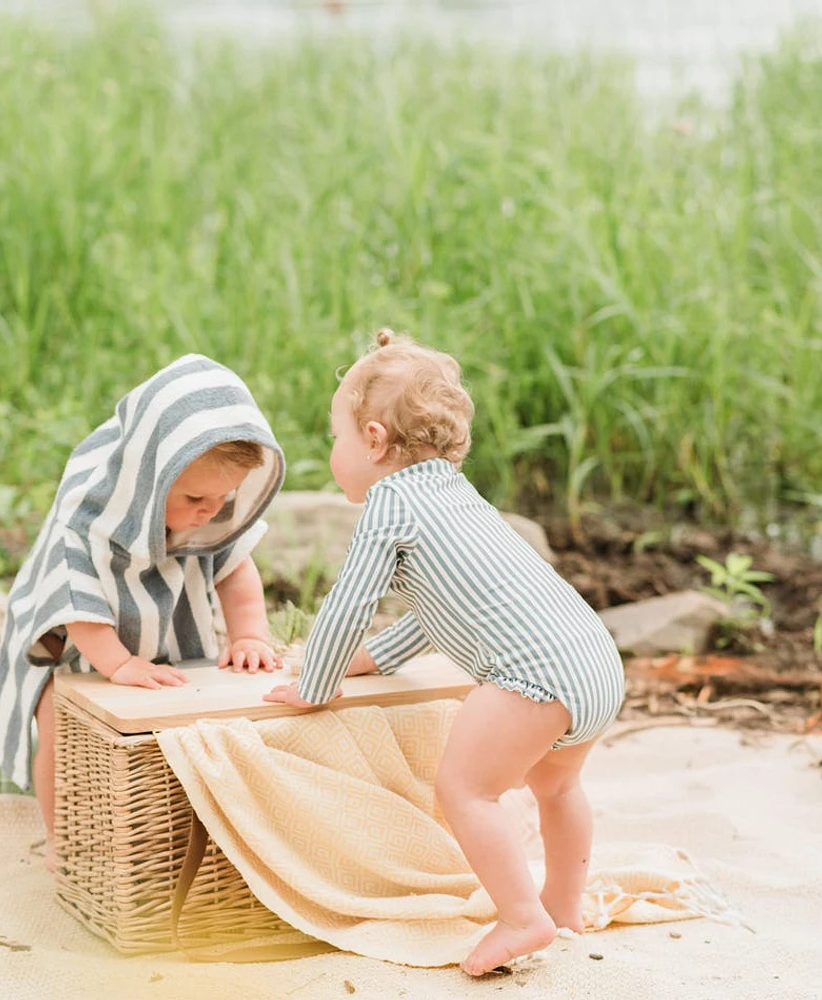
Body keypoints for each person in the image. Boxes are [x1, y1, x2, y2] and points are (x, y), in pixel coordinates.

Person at [264, 330, 624, 975]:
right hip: (594, 660)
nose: (334, 454)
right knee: (559, 783)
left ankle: (522, 918)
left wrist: (316, 682)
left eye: (335, 439)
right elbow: (445, 609)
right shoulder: (456, 496)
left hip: (533, 675)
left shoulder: (390, 503)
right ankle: (563, 904)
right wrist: (372, 658)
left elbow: (349, 601)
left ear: (373, 440)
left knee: (465, 791)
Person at [0, 354, 285, 869]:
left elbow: (237, 573)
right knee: (60, 730)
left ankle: (162, 830)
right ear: (148, 480)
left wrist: (251, 636)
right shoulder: (88, 519)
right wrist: (119, 664)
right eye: (196, 495)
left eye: (224, 497)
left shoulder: (210, 514)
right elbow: (75, 601)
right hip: (77, 651)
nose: (210, 510)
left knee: (174, 737)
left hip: (165, 643)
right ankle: (64, 838)